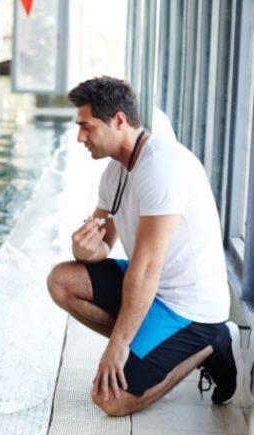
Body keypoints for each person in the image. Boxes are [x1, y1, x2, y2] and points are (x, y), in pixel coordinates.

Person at [46, 76, 246, 417]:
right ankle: (148, 348)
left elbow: (148, 266)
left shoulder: (162, 166)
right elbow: (103, 248)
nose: (80, 137)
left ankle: (211, 344)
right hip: (152, 290)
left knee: (111, 400)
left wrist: (118, 344)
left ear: (119, 120)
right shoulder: (115, 171)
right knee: (61, 280)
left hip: (190, 307)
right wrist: (82, 251)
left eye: (86, 127)